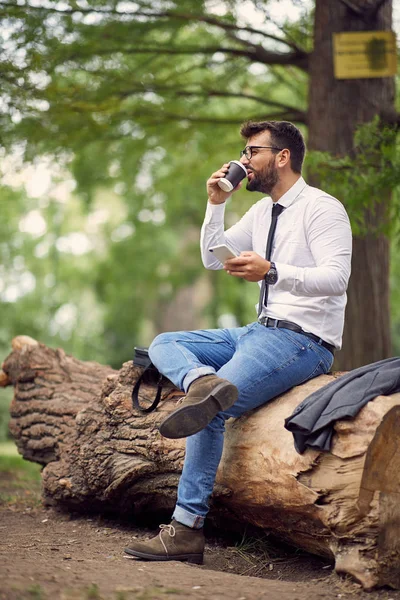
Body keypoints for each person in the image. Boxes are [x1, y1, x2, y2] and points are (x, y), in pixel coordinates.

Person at [124, 120, 352, 564]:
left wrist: (273, 271)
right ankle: (201, 380)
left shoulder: (324, 209)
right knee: (163, 343)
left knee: (207, 413)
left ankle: (186, 530)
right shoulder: (262, 211)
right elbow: (214, 258)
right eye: (243, 153)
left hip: (301, 341)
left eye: (252, 152)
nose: (244, 161)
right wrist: (215, 206)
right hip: (256, 331)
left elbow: (337, 278)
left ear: (281, 157)